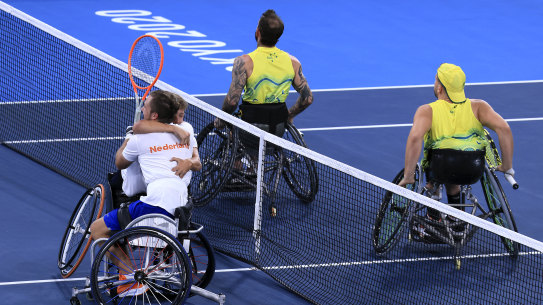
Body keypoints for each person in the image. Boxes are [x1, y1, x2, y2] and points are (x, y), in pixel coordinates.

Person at [89, 90, 201, 297]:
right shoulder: (186, 132)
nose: (142, 108)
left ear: (154, 115)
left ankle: (129, 275)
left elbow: (120, 162)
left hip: (154, 204)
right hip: (180, 204)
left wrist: (128, 140)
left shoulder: (139, 140)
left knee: (97, 230)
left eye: (146, 106)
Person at [398, 63, 514, 220]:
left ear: (439, 88)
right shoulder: (480, 107)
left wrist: (409, 175)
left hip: (441, 167)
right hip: (473, 170)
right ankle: (456, 220)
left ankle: (433, 214)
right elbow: (505, 129)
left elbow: (414, 139)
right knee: (455, 170)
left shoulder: (427, 111)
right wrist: (506, 166)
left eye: (436, 81)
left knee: (434, 159)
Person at [214, 9, 313, 135]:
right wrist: (289, 116)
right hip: (278, 128)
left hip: (250, 127)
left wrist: (222, 118)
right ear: (278, 36)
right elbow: (307, 98)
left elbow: (232, 102)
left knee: (234, 134)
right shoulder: (293, 62)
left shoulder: (244, 62)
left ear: (258, 32)